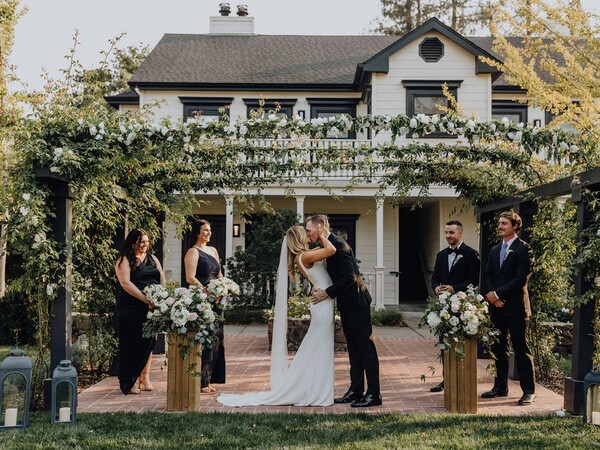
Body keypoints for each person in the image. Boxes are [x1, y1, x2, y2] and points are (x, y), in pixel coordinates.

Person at [216, 225, 336, 407]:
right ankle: (311, 389)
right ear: (299, 238)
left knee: (317, 346)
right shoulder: (304, 257)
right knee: (317, 346)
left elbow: (323, 252)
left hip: (322, 302)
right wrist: (321, 234)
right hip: (322, 305)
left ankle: (314, 388)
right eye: (305, 233)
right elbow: (331, 249)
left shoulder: (303, 256)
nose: (308, 235)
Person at [310, 214, 382, 408]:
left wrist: (327, 293)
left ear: (320, 227)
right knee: (353, 348)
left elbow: (350, 277)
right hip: (347, 304)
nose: (308, 234)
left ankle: (374, 394)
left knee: (365, 349)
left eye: (309, 230)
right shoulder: (328, 246)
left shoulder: (339, 245)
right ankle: (356, 390)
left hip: (357, 304)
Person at [482, 211, 536, 405]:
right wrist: (492, 297)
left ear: (515, 226)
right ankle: (500, 387)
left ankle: (529, 391)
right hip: (497, 308)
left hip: (516, 308)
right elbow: (488, 274)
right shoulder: (495, 249)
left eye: (504, 223)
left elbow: (521, 279)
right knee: (498, 348)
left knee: (521, 349)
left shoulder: (524, 249)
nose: (500, 226)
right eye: (499, 223)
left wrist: (497, 294)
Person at [429, 220, 480, 392]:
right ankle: (447, 379)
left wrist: (455, 288)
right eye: (446, 232)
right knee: (445, 343)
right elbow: (435, 277)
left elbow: (474, 280)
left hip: (464, 307)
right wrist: (436, 287)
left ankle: (462, 379)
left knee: (462, 344)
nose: (448, 236)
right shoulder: (441, 255)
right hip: (444, 307)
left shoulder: (471, 254)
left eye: (451, 232)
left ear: (460, 233)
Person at [115, 228, 165, 395]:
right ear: (133, 243)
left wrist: (161, 297)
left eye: (147, 241)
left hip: (151, 308)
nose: (145, 244)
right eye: (141, 241)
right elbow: (126, 283)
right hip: (131, 308)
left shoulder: (153, 259)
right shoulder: (124, 260)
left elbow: (161, 277)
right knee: (131, 344)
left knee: (149, 342)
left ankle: (145, 378)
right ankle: (130, 381)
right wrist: (146, 299)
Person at [184, 219, 226, 393]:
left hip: (217, 300)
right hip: (202, 301)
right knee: (205, 339)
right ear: (197, 232)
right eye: (205, 230)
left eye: (209, 230)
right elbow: (190, 278)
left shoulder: (213, 250)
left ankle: (209, 379)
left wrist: (223, 289)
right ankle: (201, 381)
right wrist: (208, 293)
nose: (209, 233)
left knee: (216, 339)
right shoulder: (193, 252)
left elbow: (219, 274)